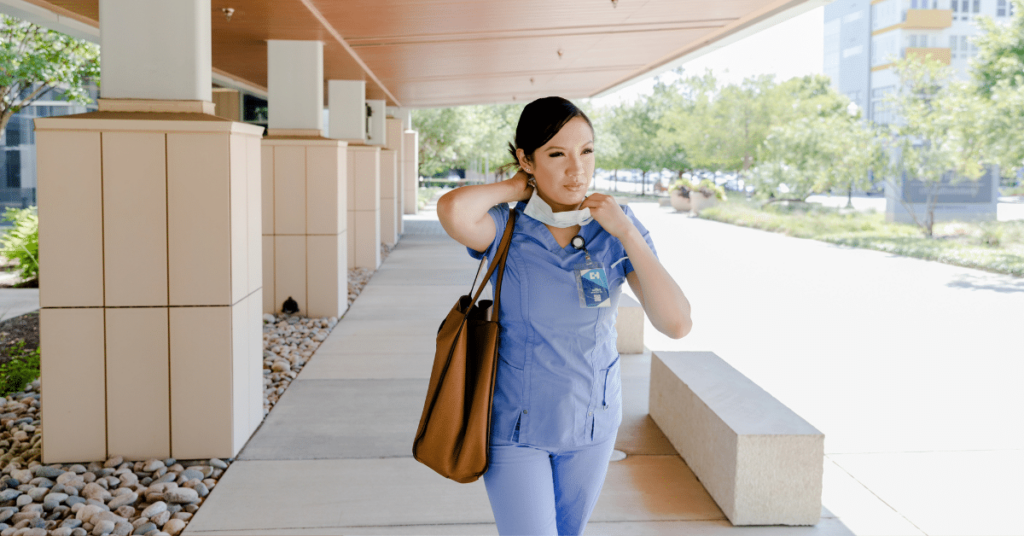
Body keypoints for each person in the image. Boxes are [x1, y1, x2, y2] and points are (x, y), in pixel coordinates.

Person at [436, 96, 692, 536]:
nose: (578, 169)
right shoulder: (506, 228)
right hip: (516, 426)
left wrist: (627, 232)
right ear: (526, 157)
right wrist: (518, 187)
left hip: (593, 423)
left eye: (586, 151)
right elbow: (452, 210)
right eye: (557, 154)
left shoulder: (614, 229)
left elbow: (676, 323)